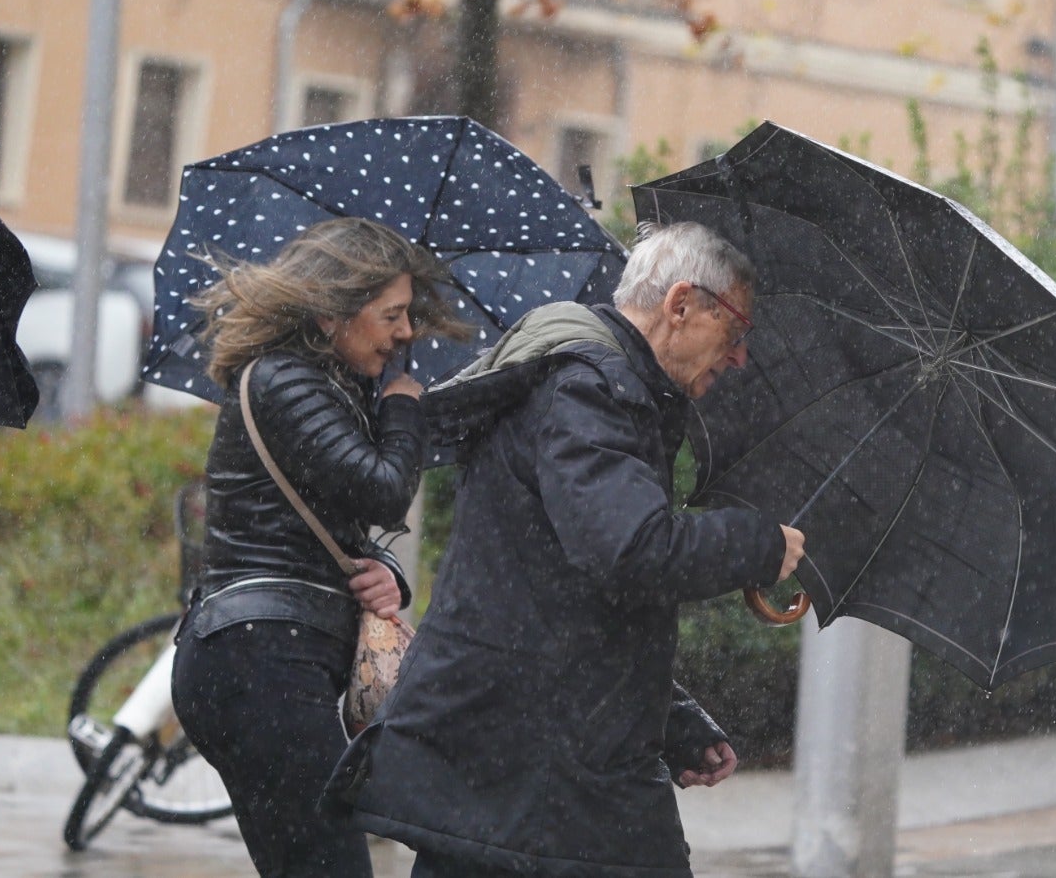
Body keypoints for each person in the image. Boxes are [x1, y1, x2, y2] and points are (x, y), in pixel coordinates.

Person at [327, 220, 806, 877]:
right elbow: (631, 550)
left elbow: (569, 603)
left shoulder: (614, 390)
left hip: (530, 761)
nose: (739, 357)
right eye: (736, 330)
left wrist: (672, 721)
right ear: (681, 304)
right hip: (529, 767)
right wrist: (757, 542)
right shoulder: (589, 389)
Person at [170, 217, 467, 878]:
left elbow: (323, 526)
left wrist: (383, 572)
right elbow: (385, 492)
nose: (406, 332)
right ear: (334, 314)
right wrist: (403, 407)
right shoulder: (286, 382)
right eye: (391, 314)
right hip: (257, 660)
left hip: (262, 655)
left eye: (408, 315)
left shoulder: (321, 386)